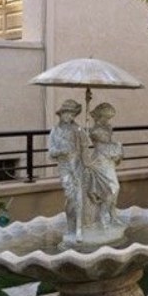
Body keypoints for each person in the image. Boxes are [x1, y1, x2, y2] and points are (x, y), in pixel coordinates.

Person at [48, 99, 88, 242]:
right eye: (68, 114)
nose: (71, 117)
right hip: (65, 167)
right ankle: (71, 224)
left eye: (73, 115)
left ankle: (79, 229)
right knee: (71, 197)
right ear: (62, 114)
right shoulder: (55, 131)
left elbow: (85, 146)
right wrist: (60, 151)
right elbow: (51, 152)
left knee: (79, 197)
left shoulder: (77, 129)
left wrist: (86, 162)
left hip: (78, 166)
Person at [85, 102, 123, 232]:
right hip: (100, 160)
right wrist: (116, 147)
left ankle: (112, 215)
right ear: (99, 116)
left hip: (108, 159)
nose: (108, 120)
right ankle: (103, 215)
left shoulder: (108, 127)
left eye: (109, 118)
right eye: (106, 117)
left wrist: (117, 149)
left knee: (113, 188)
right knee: (112, 188)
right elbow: (105, 142)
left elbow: (110, 142)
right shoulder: (95, 131)